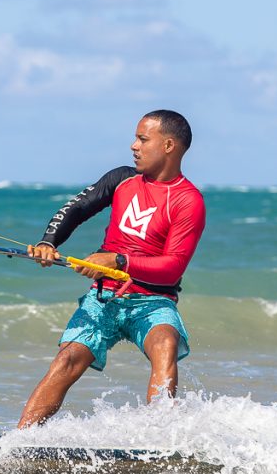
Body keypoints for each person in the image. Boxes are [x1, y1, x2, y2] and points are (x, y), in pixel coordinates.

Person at [18, 110, 206, 428]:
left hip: (153, 301)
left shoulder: (188, 201)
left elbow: (173, 267)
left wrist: (117, 261)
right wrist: (48, 241)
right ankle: (18, 444)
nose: (134, 146)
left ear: (169, 145)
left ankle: (159, 436)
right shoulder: (122, 179)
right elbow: (76, 208)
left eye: (143, 139)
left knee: (165, 344)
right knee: (67, 359)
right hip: (103, 297)